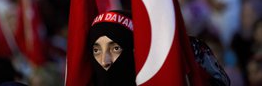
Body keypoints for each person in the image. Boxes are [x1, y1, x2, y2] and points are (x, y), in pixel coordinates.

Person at [89, 10, 230, 86]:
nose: (104, 61)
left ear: (134, 48)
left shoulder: (183, 58)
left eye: (115, 49)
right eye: (96, 51)